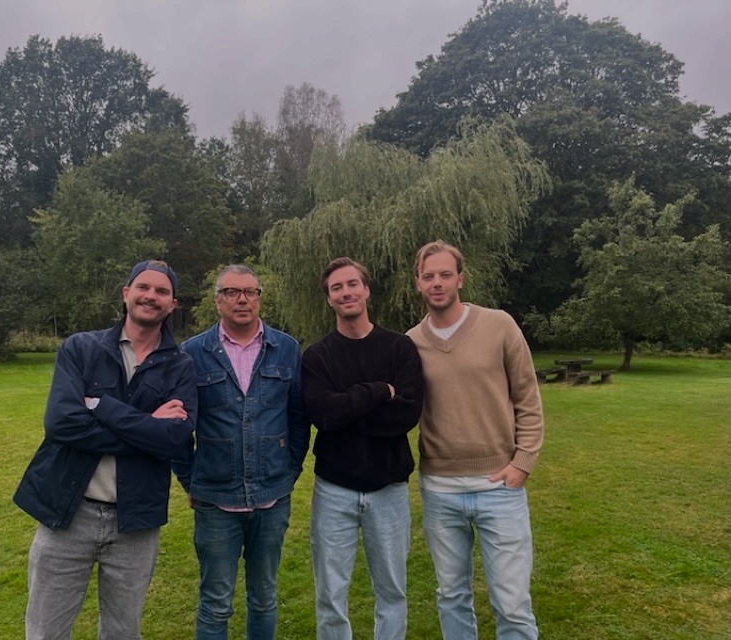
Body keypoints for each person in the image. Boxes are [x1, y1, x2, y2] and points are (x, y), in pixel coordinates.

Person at [13, 259, 197, 640]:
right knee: (45, 630)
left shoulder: (181, 365)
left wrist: (102, 407)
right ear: (126, 293)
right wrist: (148, 427)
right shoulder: (81, 348)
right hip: (67, 511)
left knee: (122, 632)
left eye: (162, 291)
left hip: (136, 520)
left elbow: (175, 440)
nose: (151, 296)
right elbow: (62, 423)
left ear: (173, 304)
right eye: (143, 287)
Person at [406, 241, 544, 640]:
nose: (437, 283)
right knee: (451, 596)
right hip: (440, 490)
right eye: (428, 276)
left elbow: (528, 398)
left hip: (500, 486)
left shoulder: (499, 325)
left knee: (512, 602)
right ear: (418, 282)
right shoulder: (410, 342)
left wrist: (523, 461)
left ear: (460, 278)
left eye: (445, 274)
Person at [175, 264, 310, 640]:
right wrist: (192, 479)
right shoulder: (192, 353)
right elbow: (178, 428)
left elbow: (299, 418)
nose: (242, 299)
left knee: (264, 597)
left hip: (272, 498)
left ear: (259, 298)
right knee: (215, 601)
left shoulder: (286, 348)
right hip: (216, 501)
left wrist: (289, 471)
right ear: (217, 300)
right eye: (232, 292)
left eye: (250, 292)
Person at [301, 257, 424, 640]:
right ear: (329, 299)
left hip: (388, 488)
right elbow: (323, 416)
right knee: (331, 594)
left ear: (366, 290)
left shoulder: (399, 347)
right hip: (333, 488)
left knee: (391, 589)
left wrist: (348, 411)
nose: (346, 292)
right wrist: (376, 392)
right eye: (336, 287)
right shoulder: (317, 356)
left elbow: (406, 415)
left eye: (352, 284)